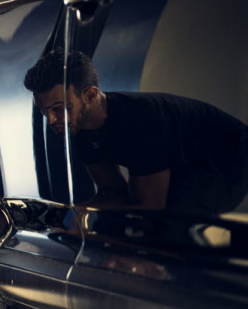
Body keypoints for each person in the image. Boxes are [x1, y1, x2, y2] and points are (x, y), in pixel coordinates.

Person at [23, 49, 248, 214]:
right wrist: (64, 216)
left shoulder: (141, 120)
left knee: (170, 225)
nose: (52, 120)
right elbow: (112, 194)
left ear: (90, 95)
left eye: (59, 108)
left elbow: (149, 207)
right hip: (182, 157)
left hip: (231, 154)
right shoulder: (78, 127)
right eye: (44, 111)